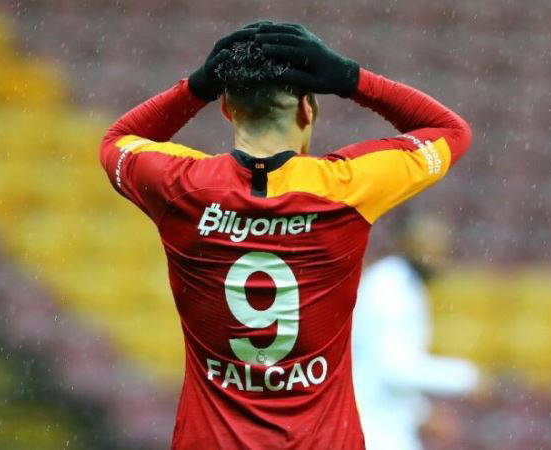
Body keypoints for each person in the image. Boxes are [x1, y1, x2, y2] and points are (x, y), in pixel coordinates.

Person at [99, 21, 471, 449]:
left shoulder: (182, 187)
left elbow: (116, 141)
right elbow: (450, 132)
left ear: (226, 109)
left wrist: (197, 86)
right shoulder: (345, 187)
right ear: (306, 110)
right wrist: (350, 78)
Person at [352, 213, 480, 450]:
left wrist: (422, 413)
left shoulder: (404, 285)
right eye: (432, 248)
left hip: (385, 423)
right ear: (410, 244)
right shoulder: (390, 289)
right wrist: (467, 377)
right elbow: (394, 368)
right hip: (373, 428)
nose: (440, 259)